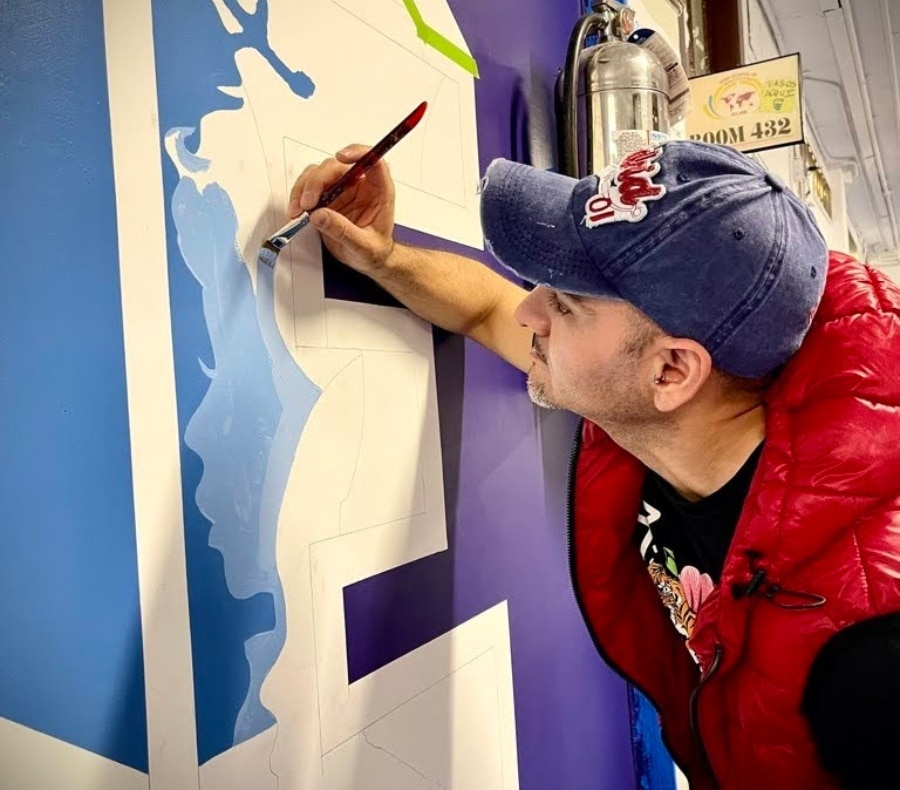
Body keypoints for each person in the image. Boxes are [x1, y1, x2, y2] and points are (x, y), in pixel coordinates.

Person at [287, 139, 900, 790]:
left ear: (672, 371)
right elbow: (488, 309)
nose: (528, 311)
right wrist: (381, 256)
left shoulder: (871, 662)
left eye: (567, 303)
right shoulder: (678, 401)